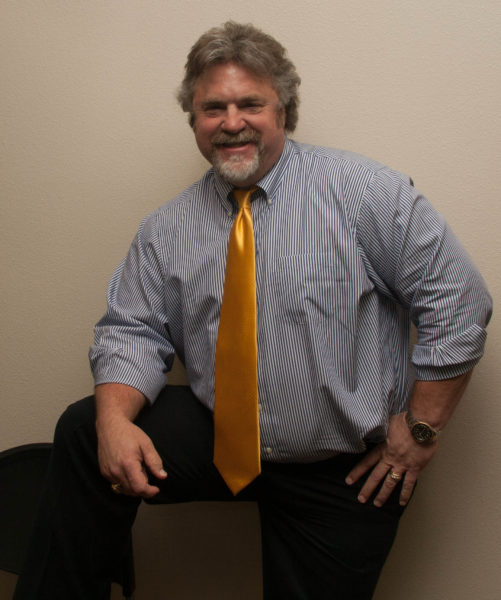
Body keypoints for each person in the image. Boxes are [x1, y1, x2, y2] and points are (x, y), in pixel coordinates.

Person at [14, 21, 492, 600]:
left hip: (340, 466)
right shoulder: (167, 229)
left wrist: (419, 431)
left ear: (283, 111)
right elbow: (131, 330)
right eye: (212, 108)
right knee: (85, 428)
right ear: (194, 120)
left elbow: (458, 302)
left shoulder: (365, 193)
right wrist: (115, 424)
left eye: (250, 104)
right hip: (221, 438)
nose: (231, 121)